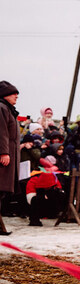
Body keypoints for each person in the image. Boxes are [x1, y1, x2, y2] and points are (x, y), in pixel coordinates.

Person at [0, 81, 21, 235]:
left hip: (9, 154)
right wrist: (3, 152)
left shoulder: (8, 109)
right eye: (14, 93)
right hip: (4, 156)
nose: (17, 96)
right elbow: (1, 133)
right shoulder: (1, 108)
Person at [25, 160, 66, 227]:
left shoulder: (53, 178)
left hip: (49, 202)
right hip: (39, 199)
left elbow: (60, 191)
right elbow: (31, 198)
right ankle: (36, 219)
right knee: (36, 200)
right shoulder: (34, 180)